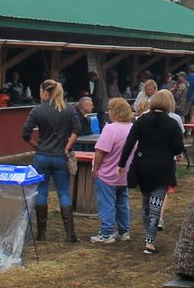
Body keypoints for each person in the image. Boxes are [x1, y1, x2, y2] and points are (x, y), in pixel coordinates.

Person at [118, 89, 184, 254]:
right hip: (163, 167)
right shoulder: (172, 123)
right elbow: (178, 147)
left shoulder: (141, 120)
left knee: (146, 201)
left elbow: (129, 142)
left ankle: (148, 231)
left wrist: (122, 163)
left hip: (143, 166)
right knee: (156, 204)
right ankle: (149, 241)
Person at [21, 80, 81, 242]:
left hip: (42, 155)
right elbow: (77, 129)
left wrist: (36, 146)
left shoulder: (37, 110)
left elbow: (25, 133)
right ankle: (70, 234)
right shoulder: (68, 109)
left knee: (41, 191)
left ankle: (41, 233)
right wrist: (67, 147)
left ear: (45, 92)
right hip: (61, 155)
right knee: (64, 192)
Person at [90, 98, 134, 244]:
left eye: (109, 109)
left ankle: (106, 233)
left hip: (107, 174)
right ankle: (124, 231)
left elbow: (100, 151)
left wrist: (95, 169)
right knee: (123, 203)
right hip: (124, 174)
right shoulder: (132, 127)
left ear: (115, 112)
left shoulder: (110, 129)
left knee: (107, 204)